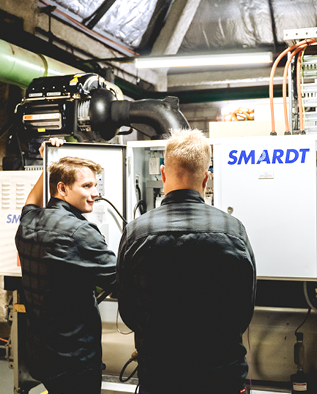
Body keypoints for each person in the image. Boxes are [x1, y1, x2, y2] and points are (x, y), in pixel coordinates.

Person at [116, 129, 257, 394]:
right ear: (206, 178)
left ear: (163, 173)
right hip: (221, 378)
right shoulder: (233, 230)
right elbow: (243, 311)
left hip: (160, 378)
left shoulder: (136, 232)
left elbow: (129, 313)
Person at [15, 138, 116, 394]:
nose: (96, 193)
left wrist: (47, 162)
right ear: (61, 188)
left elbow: (31, 201)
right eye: (87, 186)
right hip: (76, 360)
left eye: (96, 185)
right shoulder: (81, 232)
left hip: (42, 355)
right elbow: (122, 281)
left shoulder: (28, 222)